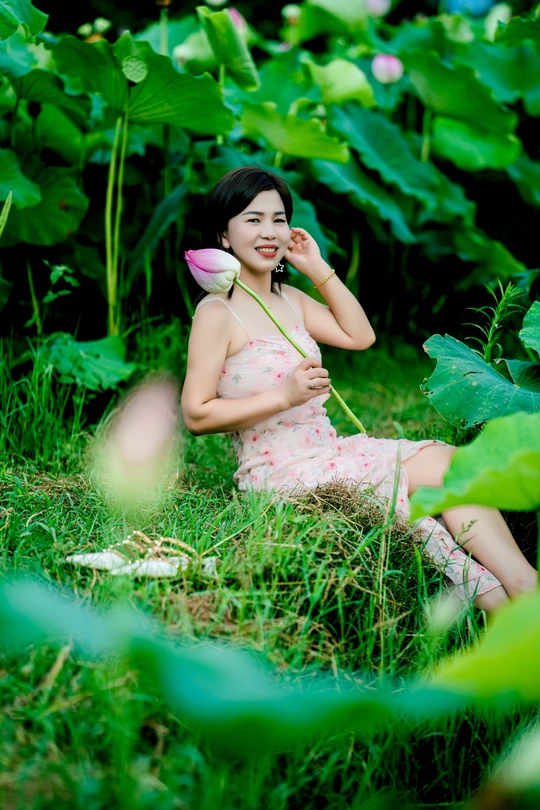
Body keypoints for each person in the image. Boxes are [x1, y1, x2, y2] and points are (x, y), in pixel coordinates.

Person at [181, 166, 537, 614]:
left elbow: (360, 336)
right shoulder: (216, 313)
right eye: (253, 220)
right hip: (283, 475)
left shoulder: (290, 299)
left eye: (279, 219)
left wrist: (315, 266)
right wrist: (283, 397)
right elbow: (196, 414)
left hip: (329, 451)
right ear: (224, 236)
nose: (269, 231)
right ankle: (509, 599)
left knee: (451, 462)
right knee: (423, 504)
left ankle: (522, 583)